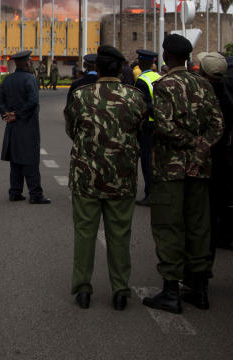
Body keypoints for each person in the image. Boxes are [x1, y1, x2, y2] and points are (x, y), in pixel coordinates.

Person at [142, 34, 224, 314]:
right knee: (199, 227)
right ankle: (199, 289)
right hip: (199, 169)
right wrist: (202, 147)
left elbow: (163, 126)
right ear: (187, 57)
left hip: (170, 170)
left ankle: (170, 292)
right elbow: (217, 124)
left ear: (167, 57)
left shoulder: (165, 85)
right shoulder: (204, 84)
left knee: (169, 227)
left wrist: (189, 143)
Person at [64, 45, 148, 311]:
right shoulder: (135, 98)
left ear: (97, 68)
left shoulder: (80, 96)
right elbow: (141, 130)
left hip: (86, 178)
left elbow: (72, 130)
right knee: (120, 235)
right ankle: (121, 291)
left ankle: (83, 290)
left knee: (84, 233)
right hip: (121, 178)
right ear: (121, 69)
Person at [195, 52, 233, 254]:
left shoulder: (211, 95)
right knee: (220, 201)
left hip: (211, 156)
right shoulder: (226, 93)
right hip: (221, 155)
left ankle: (212, 243)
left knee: (210, 205)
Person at [0, 49, 50, 204]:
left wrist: (7, 114)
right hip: (27, 126)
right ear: (26, 63)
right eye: (29, 60)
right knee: (30, 159)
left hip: (12, 127)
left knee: (16, 160)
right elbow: (33, 102)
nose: (30, 62)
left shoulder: (8, 79)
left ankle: (15, 192)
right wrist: (17, 114)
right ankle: (36, 194)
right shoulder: (30, 79)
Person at [133, 49, 160, 206]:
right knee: (156, 161)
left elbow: (142, 104)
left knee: (147, 161)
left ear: (142, 62)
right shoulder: (158, 77)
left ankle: (149, 194)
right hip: (159, 124)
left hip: (147, 125)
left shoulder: (142, 80)